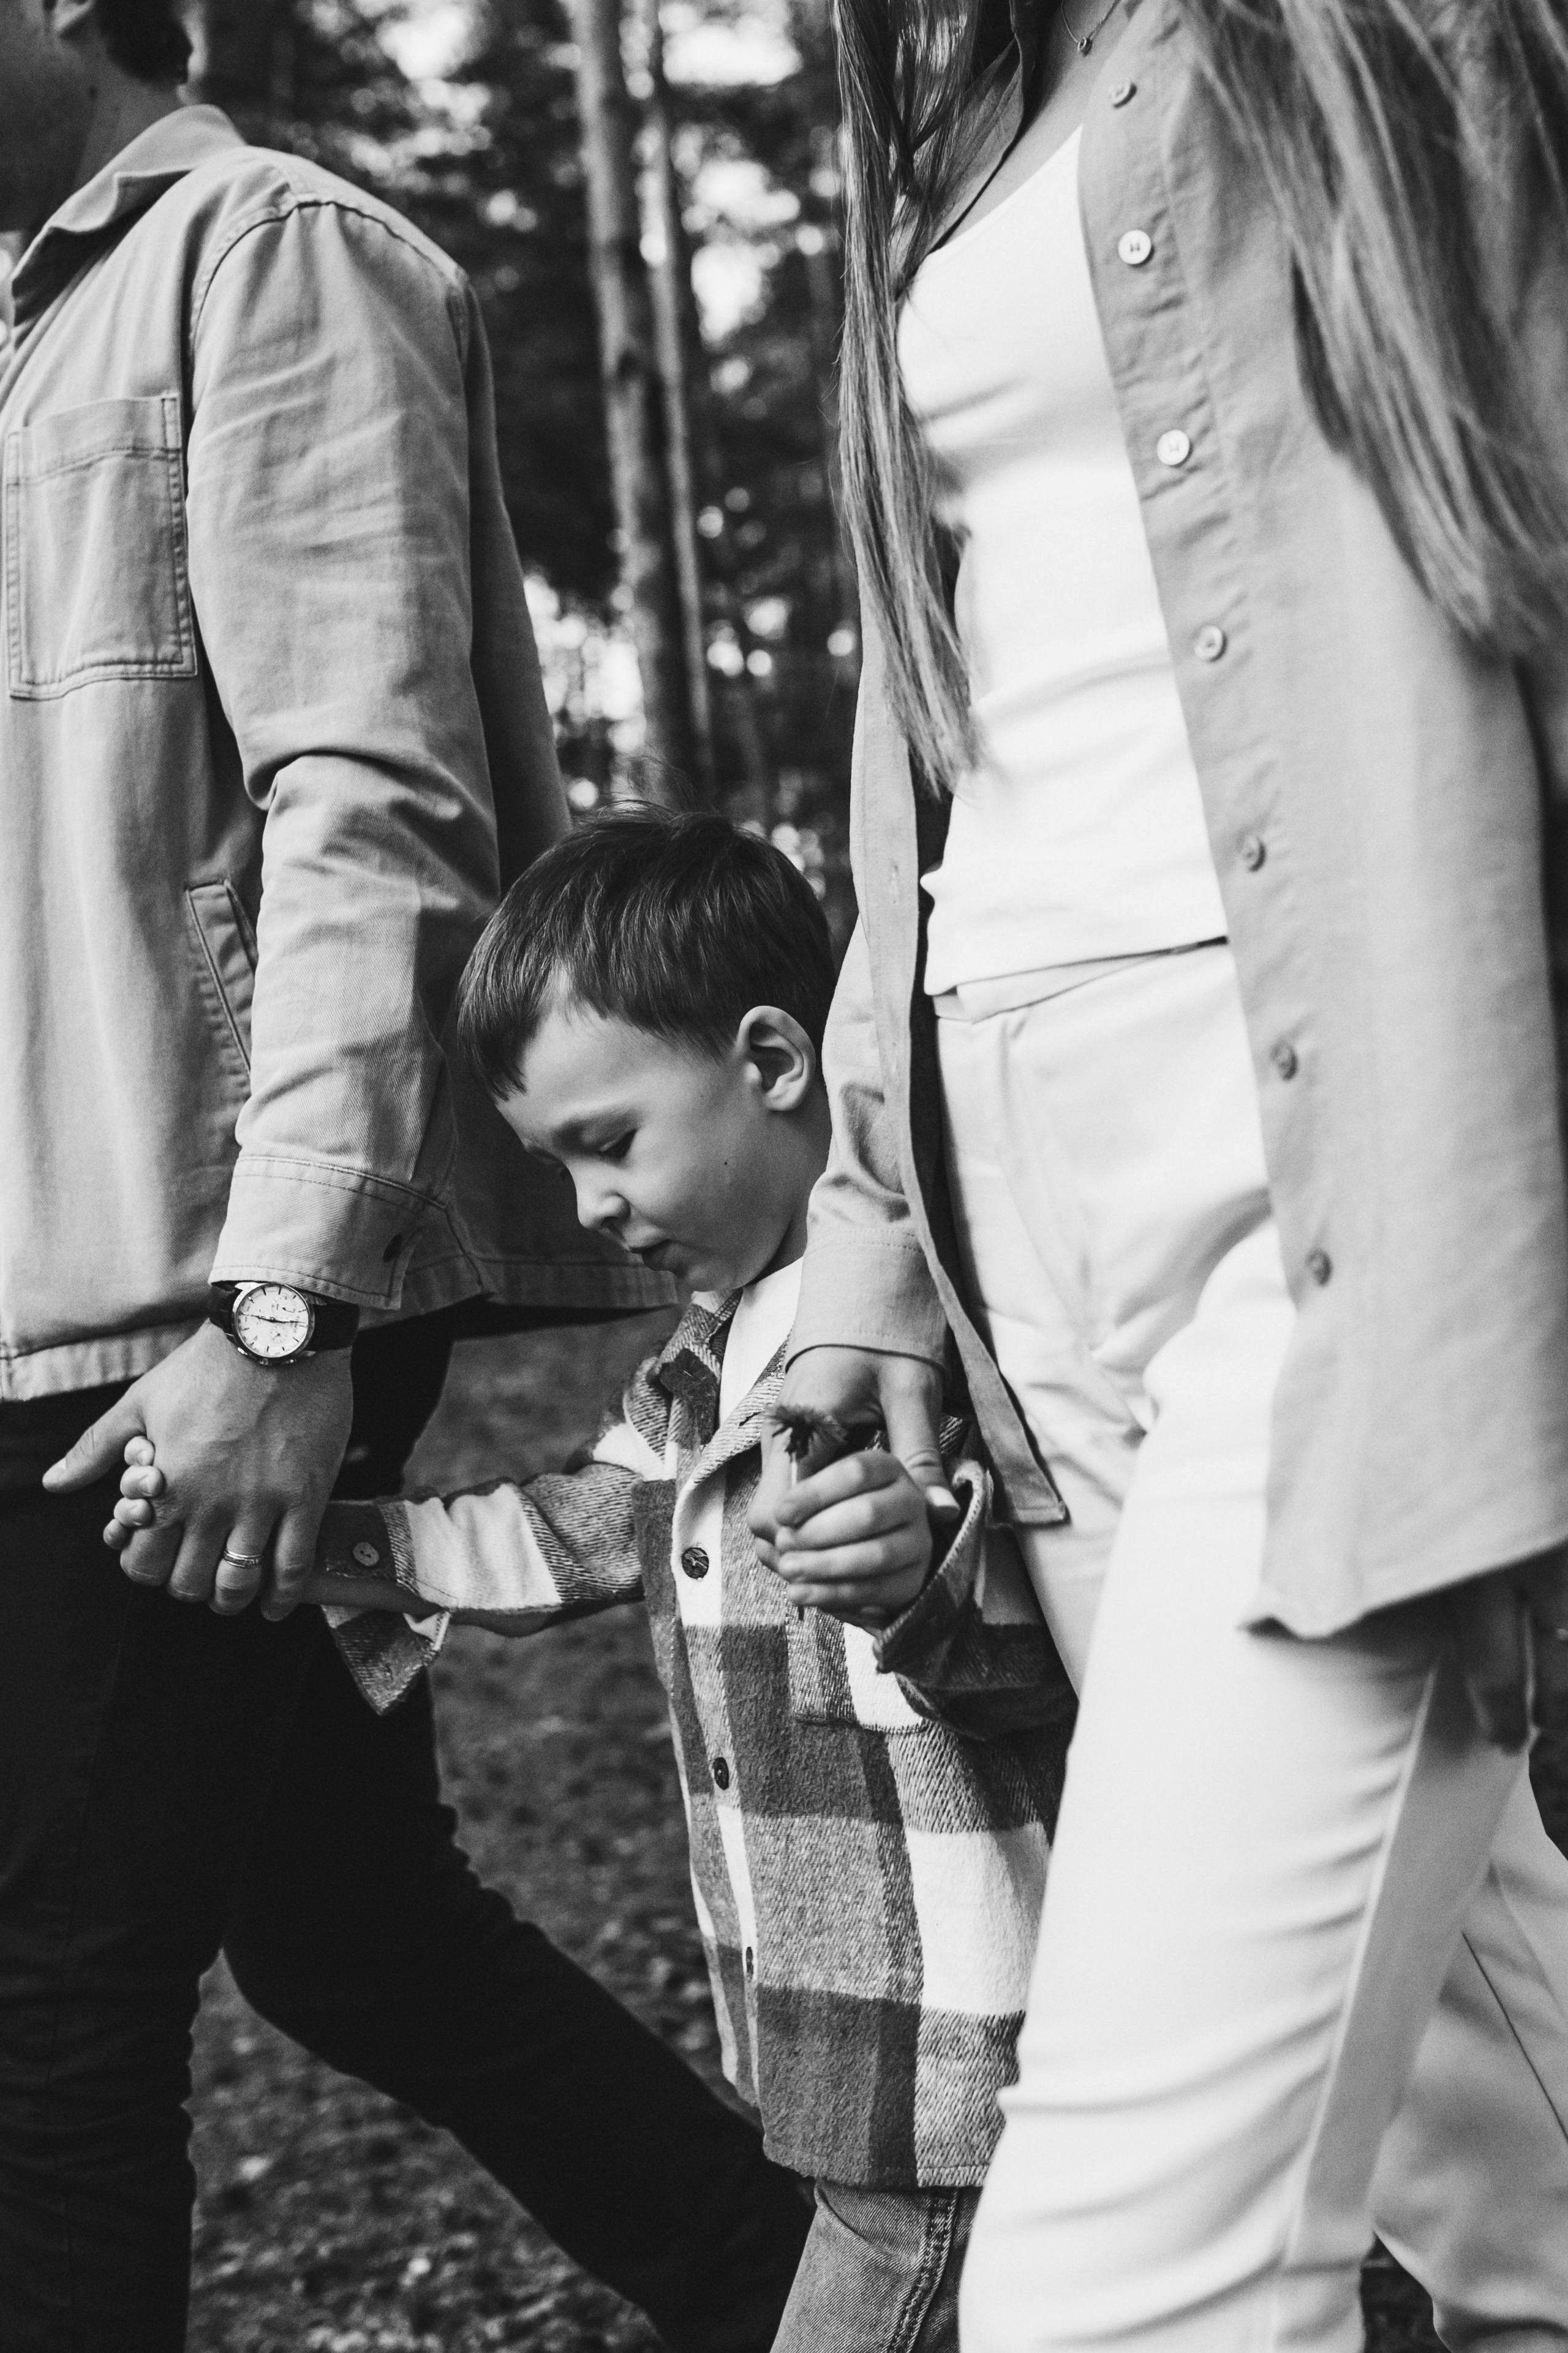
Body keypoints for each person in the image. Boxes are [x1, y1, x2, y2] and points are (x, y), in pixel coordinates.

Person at [749, 1, 1568, 2347]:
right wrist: (874, 1238)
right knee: (1492, 2142)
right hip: (1026, 1216)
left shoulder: (1372, 35)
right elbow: (937, 706)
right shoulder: (972, 106)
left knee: (1124, 2278)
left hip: (1324, 1174)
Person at [0, 6, 810, 2349]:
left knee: (51, 1988)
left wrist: (286, 1326)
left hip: (190, 1297)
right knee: (350, 1930)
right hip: (70, 1267)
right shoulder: (25, 325)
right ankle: (816, 2299)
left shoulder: (270, 257)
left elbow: (374, 809)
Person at [115, 809, 1079, 2353]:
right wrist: (322, 1545)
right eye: (555, 1167)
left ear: (773, 1060)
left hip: (962, 2068)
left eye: (607, 1141)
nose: (590, 1213)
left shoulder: (932, 1337)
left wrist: (916, 1569)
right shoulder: (703, 1373)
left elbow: (1055, 1641)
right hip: (843, 2052)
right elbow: (569, 1527)